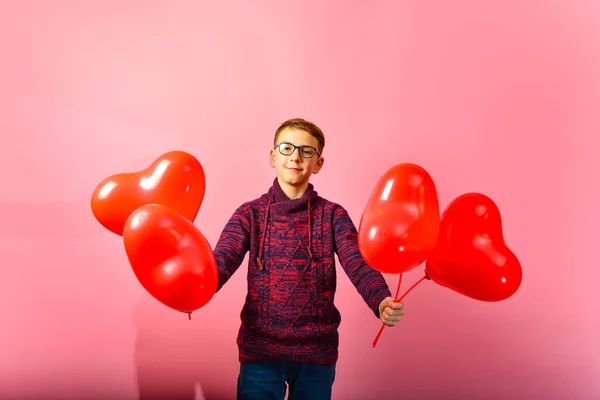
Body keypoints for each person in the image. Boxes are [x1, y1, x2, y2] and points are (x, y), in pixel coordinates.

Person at [213, 118, 405, 400]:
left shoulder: (333, 215)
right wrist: (195, 293)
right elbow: (222, 259)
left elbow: (359, 264)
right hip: (260, 352)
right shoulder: (249, 214)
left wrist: (381, 300)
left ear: (318, 163)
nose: (295, 157)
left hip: (317, 353)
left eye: (306, 151)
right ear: (273, 156)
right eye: (287, 148)